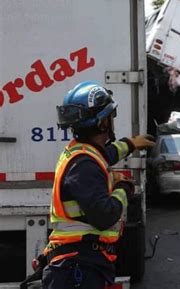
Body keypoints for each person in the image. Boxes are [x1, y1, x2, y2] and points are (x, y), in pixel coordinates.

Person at [42, 81, 155, 288]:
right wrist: (124, 188)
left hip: (77, 262)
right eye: (110, 117)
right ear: (103, 123)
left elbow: (105, 154)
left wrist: (129, 144)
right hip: (79, 267)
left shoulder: (82, 152)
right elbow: (104, 215)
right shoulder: (84, 164)